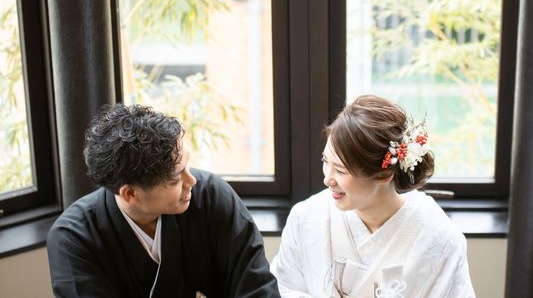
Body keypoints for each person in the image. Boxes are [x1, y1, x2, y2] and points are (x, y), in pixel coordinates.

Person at [47, 104, 280, 297]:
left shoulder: (212, 197)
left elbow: (257, 288)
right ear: (130, 194)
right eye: (175, 178)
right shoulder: (74, 238)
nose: (192, 181)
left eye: (187, 165)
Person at [271, 95, 475, 297]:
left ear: (384, 175)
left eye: (341, 170)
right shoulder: (307, 218)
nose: (328, 179)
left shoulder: (438, 239)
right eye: (325, 162)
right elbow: (283, 288)